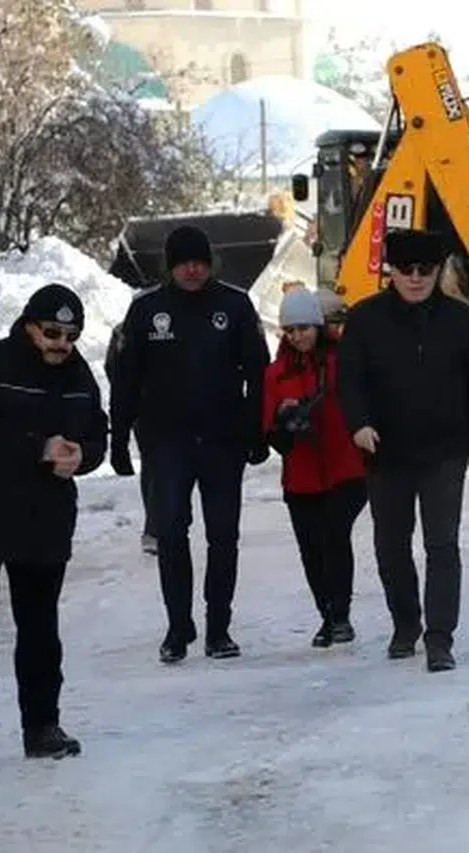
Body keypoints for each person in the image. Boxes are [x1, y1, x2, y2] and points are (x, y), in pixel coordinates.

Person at [0, 284, 107, 768]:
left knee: (39, 628)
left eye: (71, 336)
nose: (61, 344)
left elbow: (96, 432)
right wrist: (37, 447)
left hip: (42, 520)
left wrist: (83, 455)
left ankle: (42, 727)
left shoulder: (79, 376)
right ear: (29, 327)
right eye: (52, 332)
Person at [108, 224, 272, 664]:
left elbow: (260, 375)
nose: (193, 270)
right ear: (171, 266)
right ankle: (178, 627)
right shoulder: (147, 311)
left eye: (199, 262)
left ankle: (219, 629)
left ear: (210, 263)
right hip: (167, 443)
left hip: (222, 441)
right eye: (184, 263)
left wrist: (258, 430)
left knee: (223, 536)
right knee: (171, 534)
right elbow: (126, 378)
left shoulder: (234, 306)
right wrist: (118, 437)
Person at [337, 228, 469, 673]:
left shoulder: (457, 318)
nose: (416, 277)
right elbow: (349, 379)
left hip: (445, 449)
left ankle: (439, 638)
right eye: (406, 269)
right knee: (391, 545)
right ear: (391, 270)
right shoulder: (365, 318)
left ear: (438, 271)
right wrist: (359, 424)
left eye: (426, 269)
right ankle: (406, 624)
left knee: (442, 544)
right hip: (386, 450)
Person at [263, 288, 368, 647]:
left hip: (346, 469)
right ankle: (327, 614)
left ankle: (340, 614)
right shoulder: (276, 374)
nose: (297, 336)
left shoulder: (343, 362)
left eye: (304, 328)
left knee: (334, 537)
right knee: (311, 549)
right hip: (301, 476)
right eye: (290, 330)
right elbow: (272, 434)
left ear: (318, 326)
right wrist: (283, 417)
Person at [105, 318, 157, 555]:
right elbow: (114, 369)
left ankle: (158, 527)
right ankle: (156, 528)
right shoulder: (126, 330)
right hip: (147, 409)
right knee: (156, 466)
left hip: (148, 406)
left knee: (155, 466)